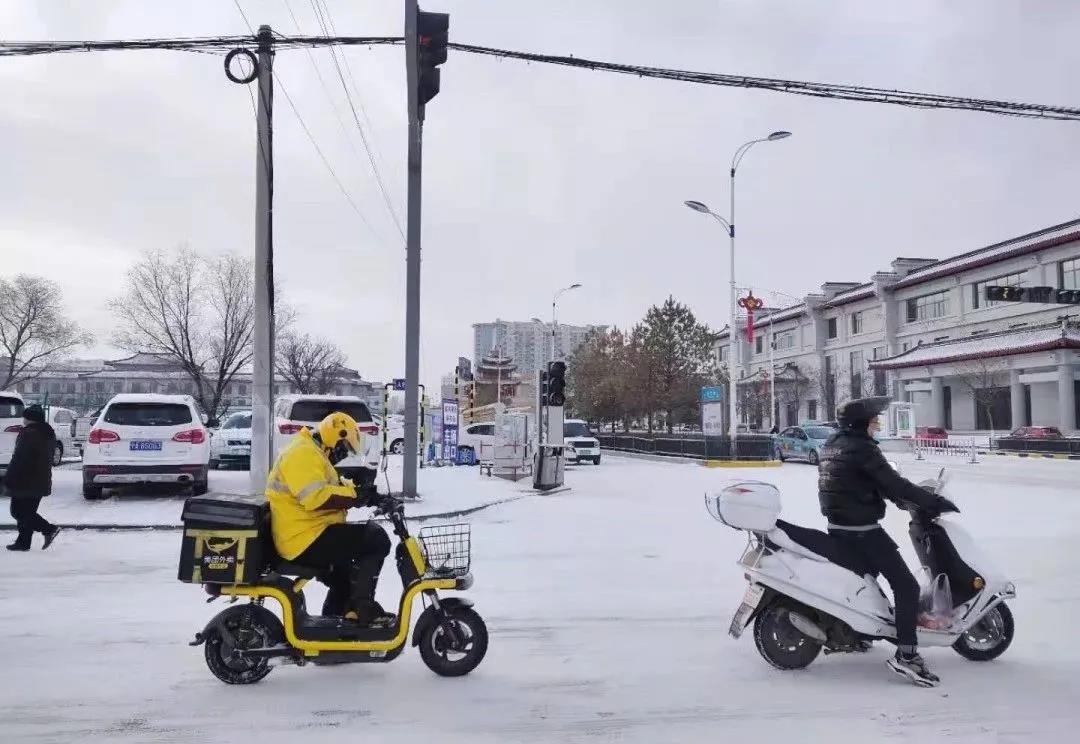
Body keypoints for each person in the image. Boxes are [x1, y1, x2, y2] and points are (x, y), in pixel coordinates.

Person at [818, 396, 958, 687]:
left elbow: (865, 483)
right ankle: (906, 655)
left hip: (840, 526)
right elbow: (893, 482)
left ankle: (851, 633)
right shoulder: (862, 448)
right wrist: (932, 502)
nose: (877, 426)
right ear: (860, 423)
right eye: (874, 421)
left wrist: (900, 500)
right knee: (905, 585)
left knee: (865, 581)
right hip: (862, 530)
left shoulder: (835, 443)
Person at [265, 411, 393, 626]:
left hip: (308, 531)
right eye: (344, 449)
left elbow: (331, 487)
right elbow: (315, 498)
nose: (342, 455)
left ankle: (335, 625)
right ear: (336, 437)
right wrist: (356, 497)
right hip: (303, 539)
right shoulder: (302, 453)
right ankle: (363, 609)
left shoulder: (313, 452)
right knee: (375, 538)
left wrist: (366, 494)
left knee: (346, 574)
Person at [5, 404, 61, 551]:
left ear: (30, 418)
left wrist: (9, 476)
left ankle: (49, 529)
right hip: (40, 479)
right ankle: (23, 542)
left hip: (25, 479)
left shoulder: (29, 434)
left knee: (18, 511)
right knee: (27, 512)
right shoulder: (47, 432)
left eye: (25, 416)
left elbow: (19, 458)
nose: (23, 419)